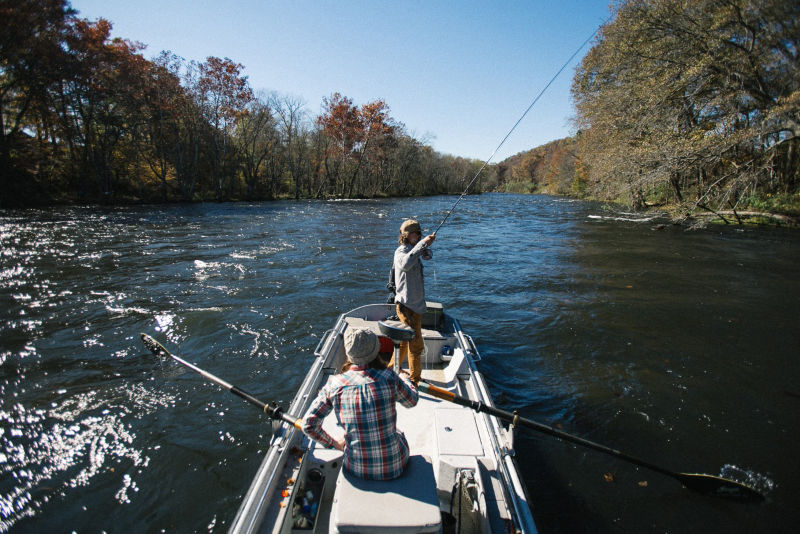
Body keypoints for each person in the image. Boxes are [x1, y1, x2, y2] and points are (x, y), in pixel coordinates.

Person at [302, 327, 418, 480]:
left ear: (349, 353)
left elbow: (308, 425)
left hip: (355, 468)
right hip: (395, 467)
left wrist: (334, 444)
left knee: (351, 435)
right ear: (376, 350)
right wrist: (405, 380)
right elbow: (412, 401)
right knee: (398, 432)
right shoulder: (389, 377)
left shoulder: (334, 385)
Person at [389, 219, 435, 385]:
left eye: (421, 234)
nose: (420, 236)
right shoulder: (401, 252)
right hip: (406, 306)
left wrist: (425, 248)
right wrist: (422, 244)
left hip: (415, 306)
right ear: (407, 235)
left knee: (403, 342)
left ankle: (390, 369)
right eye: (417, 234)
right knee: (416, 345)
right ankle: (415, 379)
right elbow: (406, 263)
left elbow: (427, 256)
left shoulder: (413, 249)